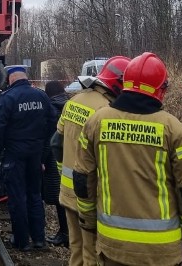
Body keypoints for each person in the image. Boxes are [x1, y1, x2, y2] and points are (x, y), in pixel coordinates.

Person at [73, 52, 182, 266]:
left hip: (113, 245)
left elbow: (83, 178)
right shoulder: (172, 128)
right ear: (160, 89)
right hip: (162, 249)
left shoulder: (97, 121)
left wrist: (88, 222)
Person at [51, 55, 128, 266]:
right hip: (92, 196)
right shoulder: (107, 112)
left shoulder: (73, 101)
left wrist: (62, 173)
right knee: (93, 253)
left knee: (75, 249)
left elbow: (56, 144)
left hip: (68, 192)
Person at [0, 64, 58, 251]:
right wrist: (43, 149)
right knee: (35, 195)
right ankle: (39, 239)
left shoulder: (8, 98)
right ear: (24, 76)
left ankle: (22, 241)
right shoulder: (41, 96)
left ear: (10, 78)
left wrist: (0, 149)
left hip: (14, 154)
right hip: (35, 153)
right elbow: (54, 122)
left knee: (17, 197)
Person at [42, 79, 69, 248]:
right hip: (73, 157)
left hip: (54, 159)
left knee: (60, 199)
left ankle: (64, 233)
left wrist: (41, 159)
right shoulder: (70, 105)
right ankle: (68, 233)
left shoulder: (50, 109)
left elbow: (49, 139)